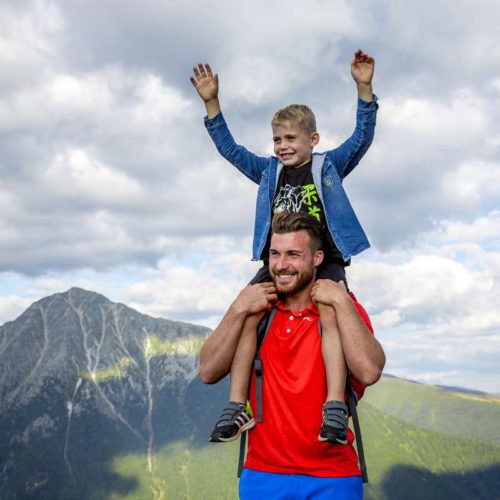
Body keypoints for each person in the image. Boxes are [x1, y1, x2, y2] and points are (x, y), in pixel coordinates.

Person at [190, 50, 378, 445]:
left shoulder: (327, 166)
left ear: (313, 139)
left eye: (290, 138)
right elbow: (231, 150)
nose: (282, 146)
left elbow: (360, 140)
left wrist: (364, 89)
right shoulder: (268, 172)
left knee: (329, 311)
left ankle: (333, 405)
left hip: (324, 260)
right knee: (250, 308)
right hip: (277, 262)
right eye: (277, 139)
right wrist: (212, 104)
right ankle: (237, 404)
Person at [199, 212, 385, 500]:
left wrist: (340, 299)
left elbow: (370, 371)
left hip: (333, 478)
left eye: (293, 254)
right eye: (275, 254)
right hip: (262, 476)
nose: (281, 265)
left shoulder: (340, 310)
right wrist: (237, 308)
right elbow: (208, 371)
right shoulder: (257, 310)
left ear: (317, 258)